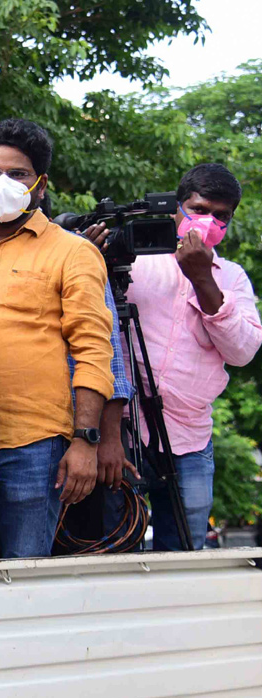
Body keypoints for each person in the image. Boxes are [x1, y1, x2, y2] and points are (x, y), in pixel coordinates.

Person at [0, 118, 113, 561]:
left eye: (17, 174)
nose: (3, 183)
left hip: (33, 444)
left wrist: (86, 441)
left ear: (40, 186)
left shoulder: (73, 250)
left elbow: (93, 350)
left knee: (25, 578)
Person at [113, 163, 260, 549]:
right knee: (109, 537)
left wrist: (203, 279)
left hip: (190, 436)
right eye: (199, 209)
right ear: (178, 209)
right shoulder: (137, 262)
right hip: (122, 427)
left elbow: (243, 351)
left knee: (185, 549)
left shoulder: (231, 277)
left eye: (221, 216)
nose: (209, 221)